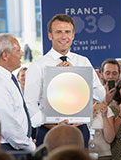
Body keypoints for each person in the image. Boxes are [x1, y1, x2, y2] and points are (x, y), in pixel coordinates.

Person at [25, 14, 105, 148]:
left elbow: (100, 95)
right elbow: (30, 104)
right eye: (58, 32)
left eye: (67, 32)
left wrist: (78, 76)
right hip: (49, 131)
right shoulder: (38, 66)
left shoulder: (83, 62)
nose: (63, 36)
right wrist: (52, 124)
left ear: (73, 35)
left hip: (79, 129)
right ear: (50, 36)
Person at [0, 33, 36, 152]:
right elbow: (7, 124)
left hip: (14, 146)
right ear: (5, 55)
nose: (22, 53)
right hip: (6, 149)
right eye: (18, 50)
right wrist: (29, 146)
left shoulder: (3, 78)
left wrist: (26, 141)